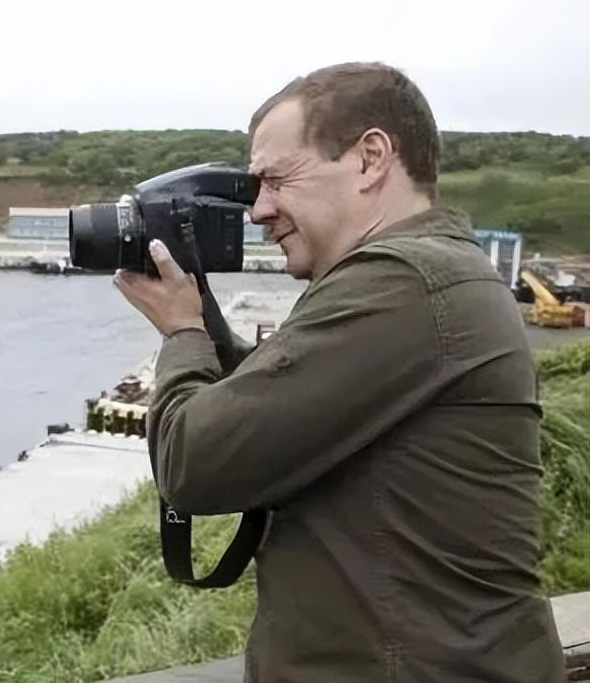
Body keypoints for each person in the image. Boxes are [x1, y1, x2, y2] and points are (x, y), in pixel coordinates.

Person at [114, 62, 564, 682]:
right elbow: (277, 404)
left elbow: (194, 464)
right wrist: (200, 313)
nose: (258, 211)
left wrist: (182, 333)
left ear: (370, 159)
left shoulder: (403, 283)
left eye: (276, 180)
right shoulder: (433, 274)